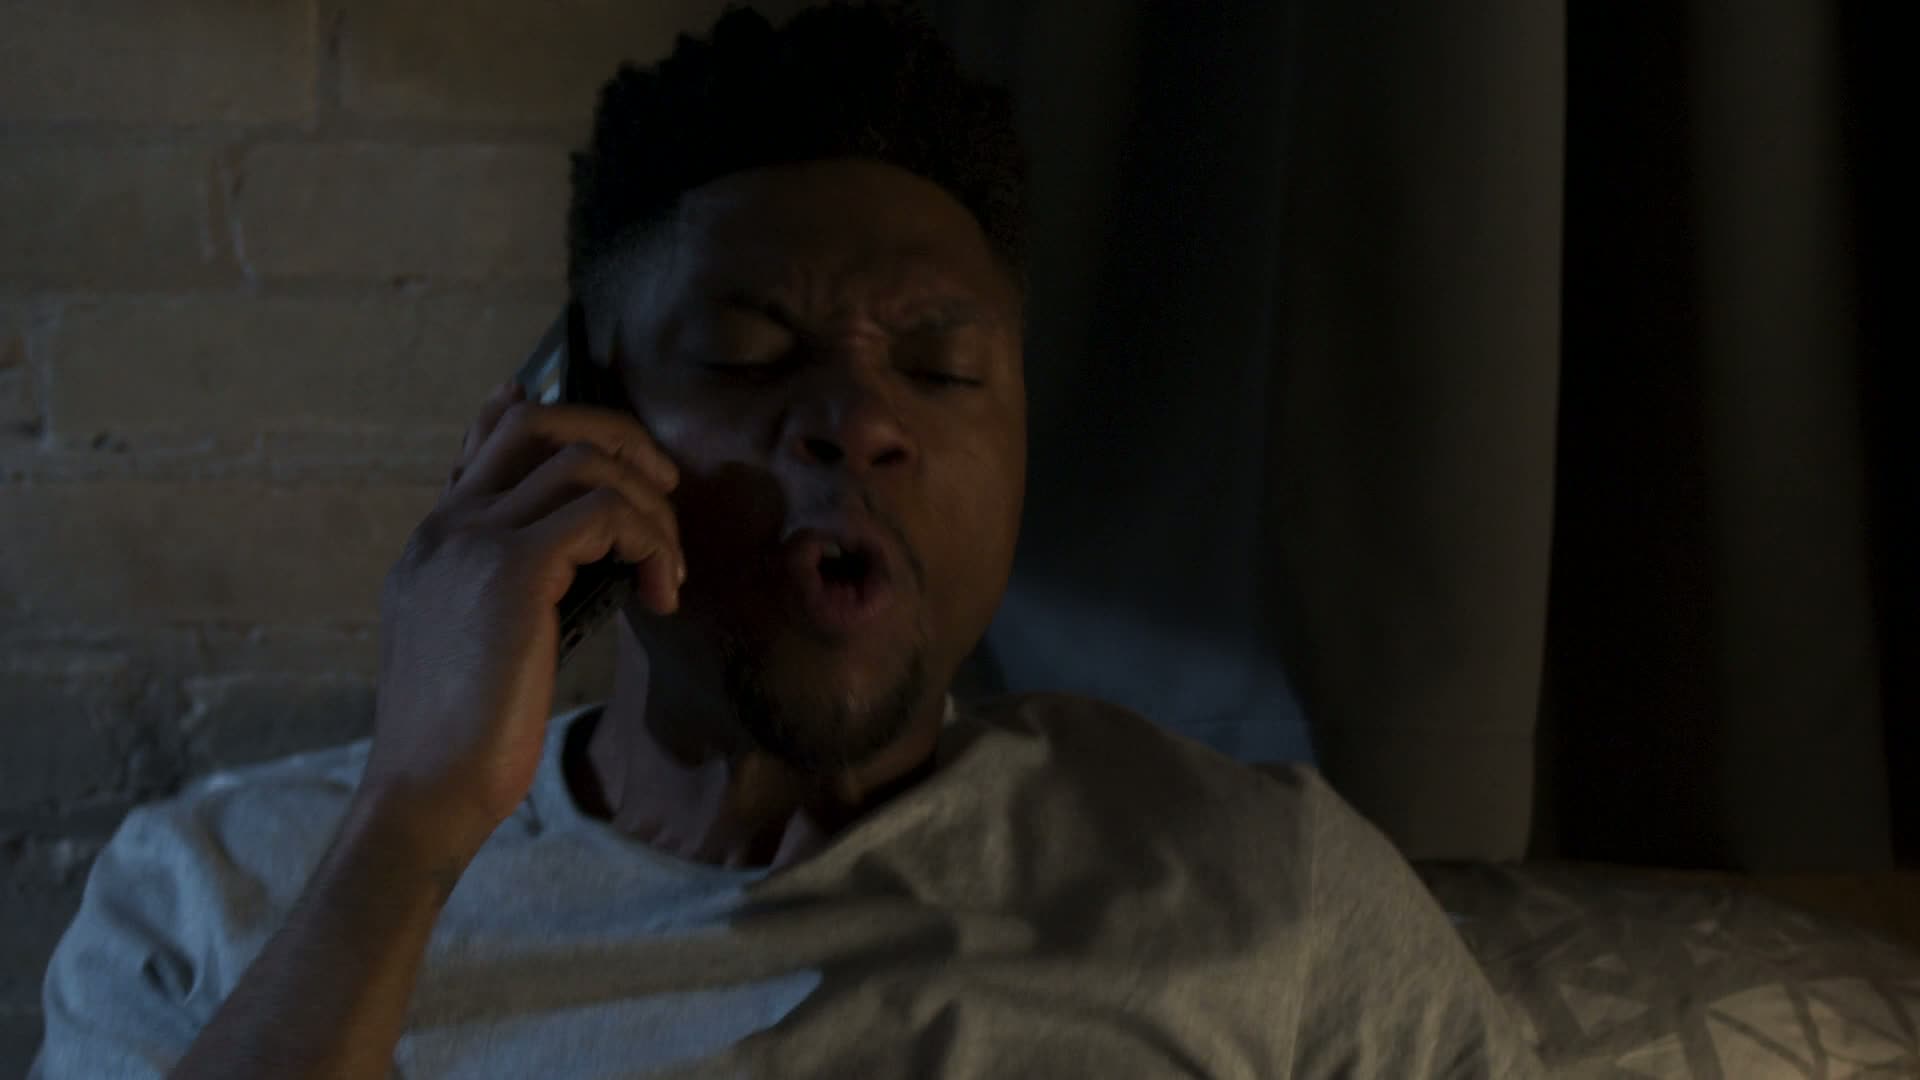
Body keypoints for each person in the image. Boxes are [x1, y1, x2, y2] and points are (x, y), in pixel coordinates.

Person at [32, 4, 1540, 1077]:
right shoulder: (221, 894)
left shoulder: (1267, 885)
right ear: (570, 421)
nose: (861, 421)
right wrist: (415, 817)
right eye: (749, 354)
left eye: (941, 369)